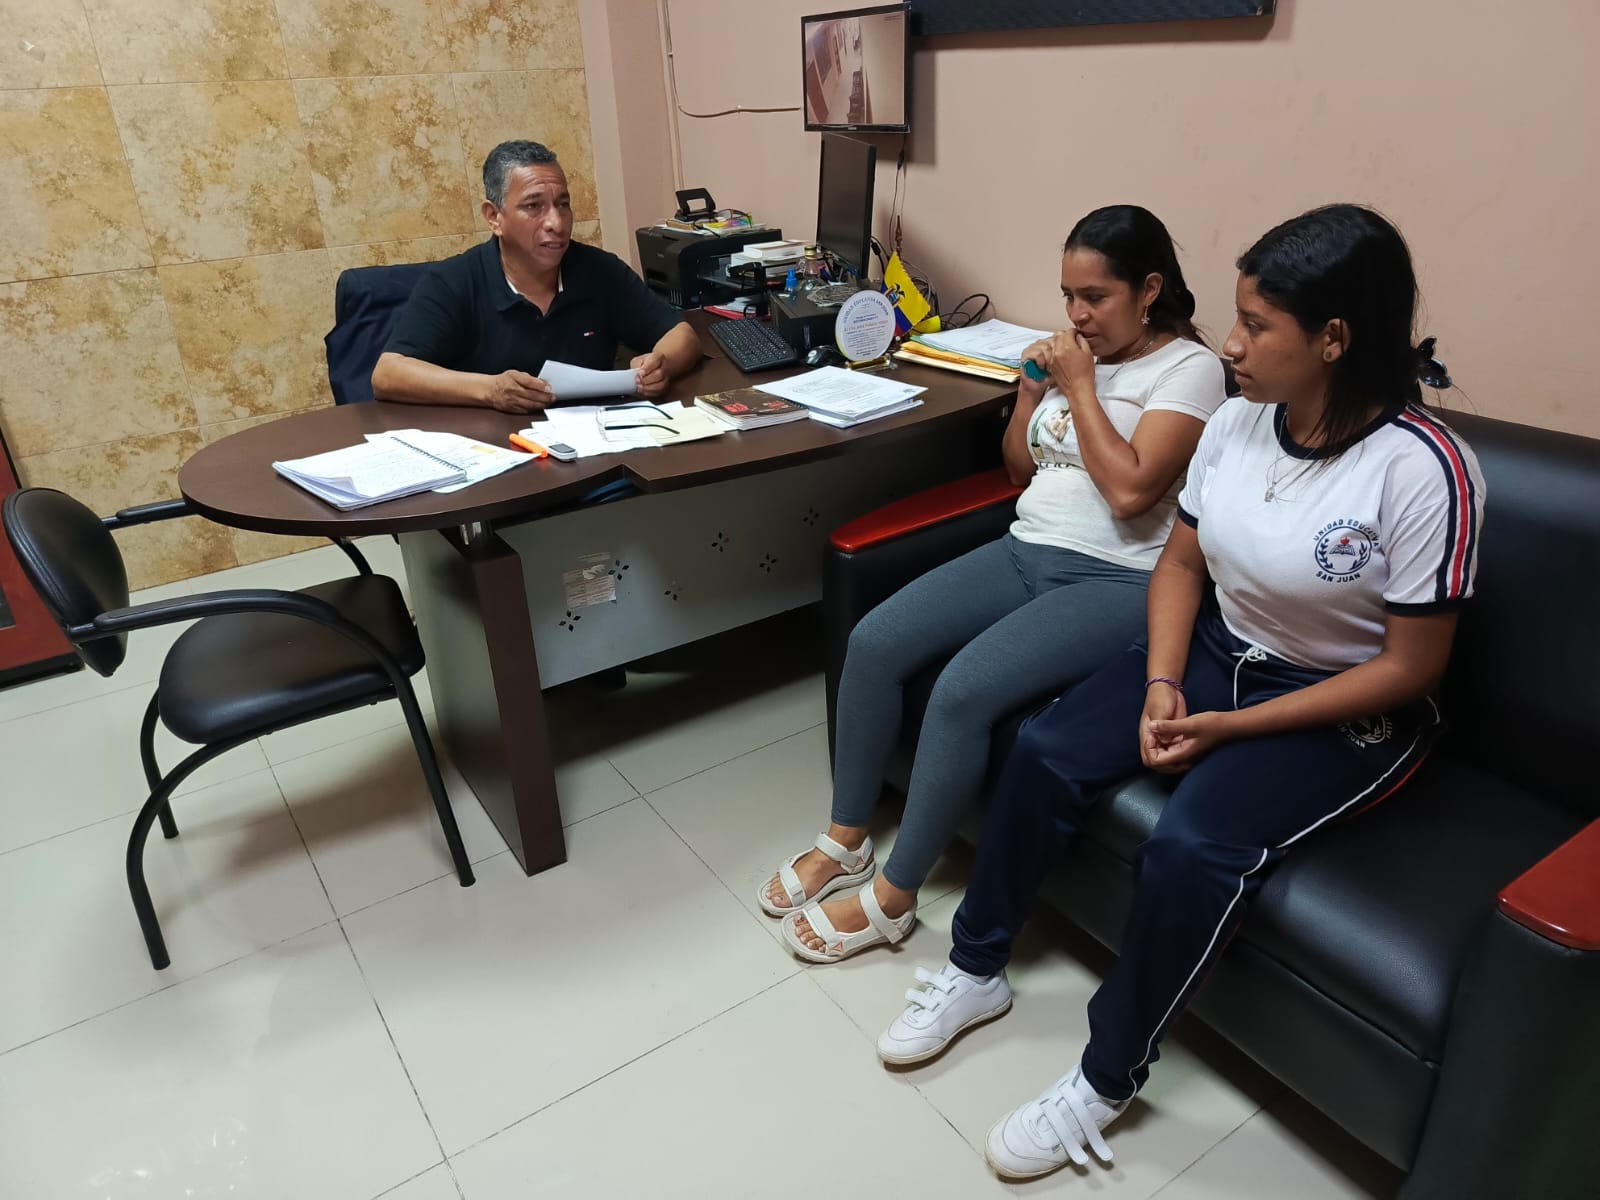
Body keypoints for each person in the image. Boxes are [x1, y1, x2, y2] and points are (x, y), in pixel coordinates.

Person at [871, 204, 1486, 1182]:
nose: (1229, 345)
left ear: (1333, 339)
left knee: (1192, 845)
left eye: (1256, 326)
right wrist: (1163, 680)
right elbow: (1180, 565)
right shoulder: (1238, 423)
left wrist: (1232, 726)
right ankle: (975, 967)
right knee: (1046, 748)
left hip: (1345, 700)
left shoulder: (1426, 471)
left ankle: (1105, 1076)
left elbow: (1410, 668)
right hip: (1213, 650)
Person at [760, 206, 1228, 962]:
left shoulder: (1189, 371)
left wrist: (1079, 388)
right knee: (872, 642)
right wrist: (1029, 396)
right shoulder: (1080, 357)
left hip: (1115, 579)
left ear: (1149, 289)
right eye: (1068, 295)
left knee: (961, 690)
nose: (1077, 314)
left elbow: (1132, 492)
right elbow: (1018, 469)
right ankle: (847, 838)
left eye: (1096, 297)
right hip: (1024, 548)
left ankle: (895, 897)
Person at [371, 140, 701, 412]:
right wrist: (490, 390)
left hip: (593, 444)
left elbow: (682, 335)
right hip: (496, 452)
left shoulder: (599, 270)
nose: (556, 223)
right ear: (494, 217)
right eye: (533, 206)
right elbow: (388, 374)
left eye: (563, 204)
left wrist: (660, 365)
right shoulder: (454, 281)